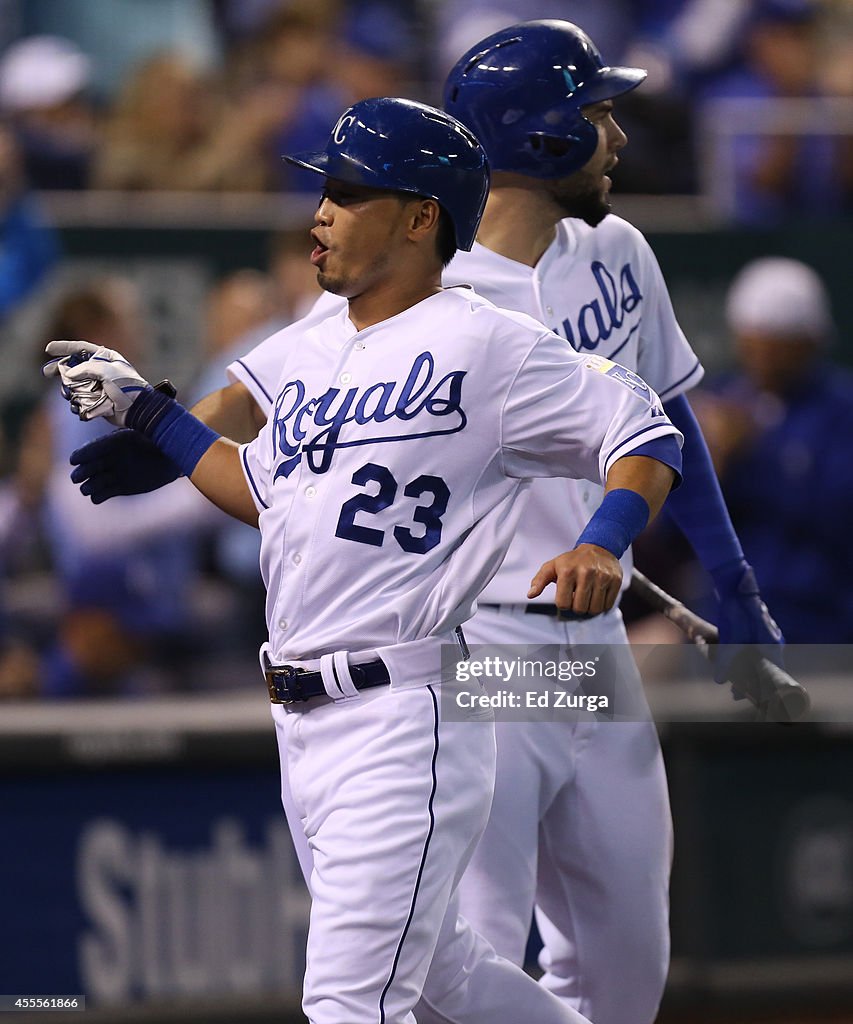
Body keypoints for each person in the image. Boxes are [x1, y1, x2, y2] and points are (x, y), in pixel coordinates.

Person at [45, 96, 683, 1024]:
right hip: (303, 722)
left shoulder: (491, 344)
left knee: (348, 1004)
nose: (320, 214)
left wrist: (601, 538)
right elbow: (258, 492)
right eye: (324, 193)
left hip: (403, 713)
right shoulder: (311, 347)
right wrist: (148, 414)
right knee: (442, 977)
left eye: (349, 194)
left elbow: (646, 432)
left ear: (422, 217)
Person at [691, 257, 853, 642]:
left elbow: (837, 514)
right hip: (724, 616)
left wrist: (755, 456)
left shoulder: (840, 409)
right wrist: (711, 465)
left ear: (811, 342)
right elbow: (670, 530)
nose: (762, 360)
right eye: (753, 345)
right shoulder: (719, 400)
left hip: (819, 620)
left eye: (778, 348)